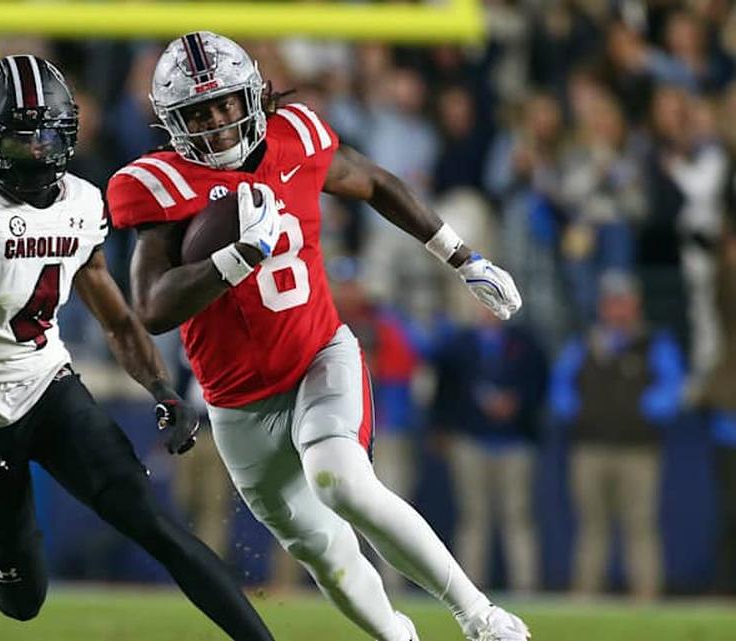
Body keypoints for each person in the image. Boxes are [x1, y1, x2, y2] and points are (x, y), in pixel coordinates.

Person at [107, 32, 528, 641]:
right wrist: (236, 258)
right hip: (236, 402)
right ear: (174, 122)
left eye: (226, 103)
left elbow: (375, 181)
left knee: (340, 477)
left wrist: (462, 257)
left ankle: (481, 617)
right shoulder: (156, 184)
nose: (219, 123)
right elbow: (151, 308)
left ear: (250, 94)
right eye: (200, 113)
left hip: (317, 356)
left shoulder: (294, 136)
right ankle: (398, 636)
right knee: (322, 551)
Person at [0, 55, 275, 641]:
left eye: (45, 135)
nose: (34, 150)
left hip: (49, 389)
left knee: (157, 526)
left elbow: (116, 318)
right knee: (22, 600)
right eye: (17, 138)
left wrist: (161, 389)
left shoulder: (83, 202)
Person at [550, 271, 684, 600]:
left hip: (638, 450)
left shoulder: (654, 342)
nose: (618, 309)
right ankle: (585, 595)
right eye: (612, 302)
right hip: (590, 447)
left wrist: (648, 408)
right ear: (602, 306)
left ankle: (646, 595)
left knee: (640, 525)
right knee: (592, 526)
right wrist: (576, 411)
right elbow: (560, 389)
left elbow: (673, 387)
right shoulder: (583, 343)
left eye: (624, 301)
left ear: (636, 304)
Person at [432, 306, 548, 593]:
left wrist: (516, 403)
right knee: (473, 516)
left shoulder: (526, 342)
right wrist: (443, 427)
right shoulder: (459, 343)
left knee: (517, 516)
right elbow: (444, 387)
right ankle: (470, 589)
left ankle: (526, 587)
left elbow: (539, 383)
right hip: (470, 439)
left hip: (514, 441)